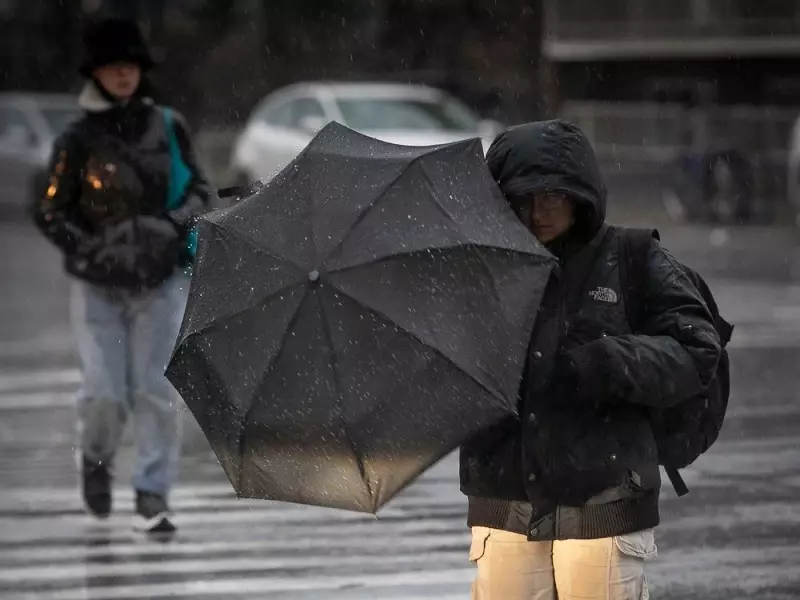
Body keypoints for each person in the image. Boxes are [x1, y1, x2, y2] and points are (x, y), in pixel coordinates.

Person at [460, 120, 722, 599]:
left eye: (552, 197)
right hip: (504, 498)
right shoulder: (480, 271)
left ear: (579, 197)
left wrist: (607, 362)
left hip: (606, 495)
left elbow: (696, 350)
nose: (539, 212)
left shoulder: (632, 257)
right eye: (523, 199)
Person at [33, 18, 212, 533]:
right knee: (104, 391)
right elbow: (50, 210)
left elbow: (199, 191)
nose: (124, 76)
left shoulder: (168, 126)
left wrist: (169, 227)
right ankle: (95, 459)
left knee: (156, 390)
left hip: (160, 280)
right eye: (115, 68)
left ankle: (154, 493)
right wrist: (89, 249)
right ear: (97, 74)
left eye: (130, 67)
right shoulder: (77, 138)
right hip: (99, 288)